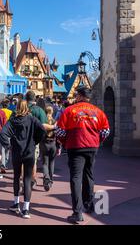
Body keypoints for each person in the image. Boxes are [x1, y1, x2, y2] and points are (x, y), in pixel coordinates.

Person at [56, 86, 110, 224]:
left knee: (75, 178)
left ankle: (77, 212)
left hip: (75, 147)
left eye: (76, 95)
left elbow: (60, 131)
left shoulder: (69, 111)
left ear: (79, 96)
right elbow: (105, 131)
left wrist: (65, 142)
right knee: (89, 175)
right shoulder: (98, 112)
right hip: (92, 147)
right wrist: (97, 141)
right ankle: (89, 204)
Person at [0, 99, 46, 219]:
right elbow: (42, 130)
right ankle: (26, 209)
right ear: (27, 108)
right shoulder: (32, 119)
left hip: (17, 152)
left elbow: (3, 134)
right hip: (29, 152)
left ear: (17, 107)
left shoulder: (13, 121)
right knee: (27, 178)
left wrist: (8, 146)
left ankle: (16, 203)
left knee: (16, 177)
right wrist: (35, 140)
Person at [25, 91, 55, 188]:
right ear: (35, 99)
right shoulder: (39, 110)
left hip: (22, 139)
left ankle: (24, 180)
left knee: (22, 162)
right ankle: (32, 180)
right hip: (34, 140)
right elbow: (43, 126)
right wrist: (53, 127)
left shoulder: (21, 108)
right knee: (33, 161)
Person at [40, 106, 57, 192]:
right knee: (52, 162)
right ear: (52, 112)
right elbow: (58, 133)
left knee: (45, 163)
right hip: (53, 143)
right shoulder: (54, 122)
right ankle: (50, 180)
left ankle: (46, 178)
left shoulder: (43, 121)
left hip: (44, 143)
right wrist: (59, 146)